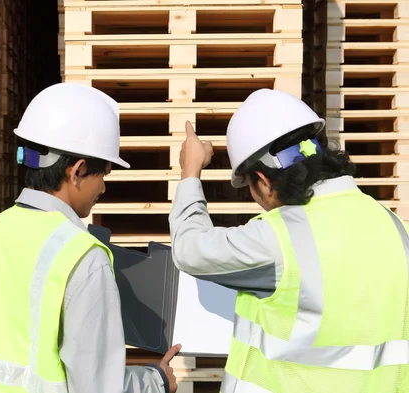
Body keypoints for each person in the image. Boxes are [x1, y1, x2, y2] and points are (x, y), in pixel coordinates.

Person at [169, 88, 409, 392]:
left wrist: (190, 172)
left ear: (265, 181)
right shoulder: (394, 226)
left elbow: (190, 250)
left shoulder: (282, 235)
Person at [0, 82, 181, 393]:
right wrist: (156, 379)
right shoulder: (82, 256)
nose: (103, 188)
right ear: (77, 170)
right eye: (104, 174)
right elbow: (97, 388)